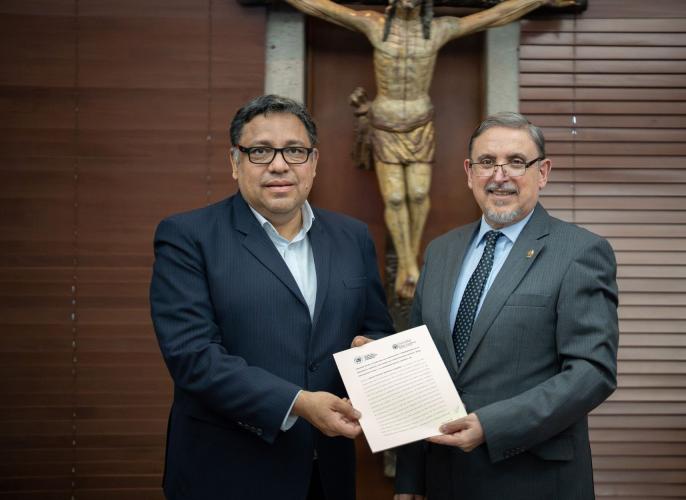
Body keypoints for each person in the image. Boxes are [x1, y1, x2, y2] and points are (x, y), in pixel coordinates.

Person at [149, 94, 394, 500]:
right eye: (260, 151)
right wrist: (297, 403)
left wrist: (374, 357)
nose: (279, 165)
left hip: (327, 473)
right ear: (235, 162)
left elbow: (375, 328)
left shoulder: (352, 237)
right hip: (227, 473)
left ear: (313, 163)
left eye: (294, 151)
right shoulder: (188, 237)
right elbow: (192, 358)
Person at [394, 112, 619, 499]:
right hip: (444, 479)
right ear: (469, 172)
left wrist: (491, 425)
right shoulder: (441, 251)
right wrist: (410, 479)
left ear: (543, 172)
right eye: (486, 162)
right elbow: (422, 368)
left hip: (532, 480)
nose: (500, 176)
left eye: (516, 162)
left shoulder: (579, 252)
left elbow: (591, 372)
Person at [283, 0, 573, 300]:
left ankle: (410, 264)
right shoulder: (374, 25)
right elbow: (321, 9)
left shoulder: (438, 30)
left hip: (420, 124)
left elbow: (495, 15)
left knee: (419, 194)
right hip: (386, 124)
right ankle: (409, 264)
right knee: (396, 197)